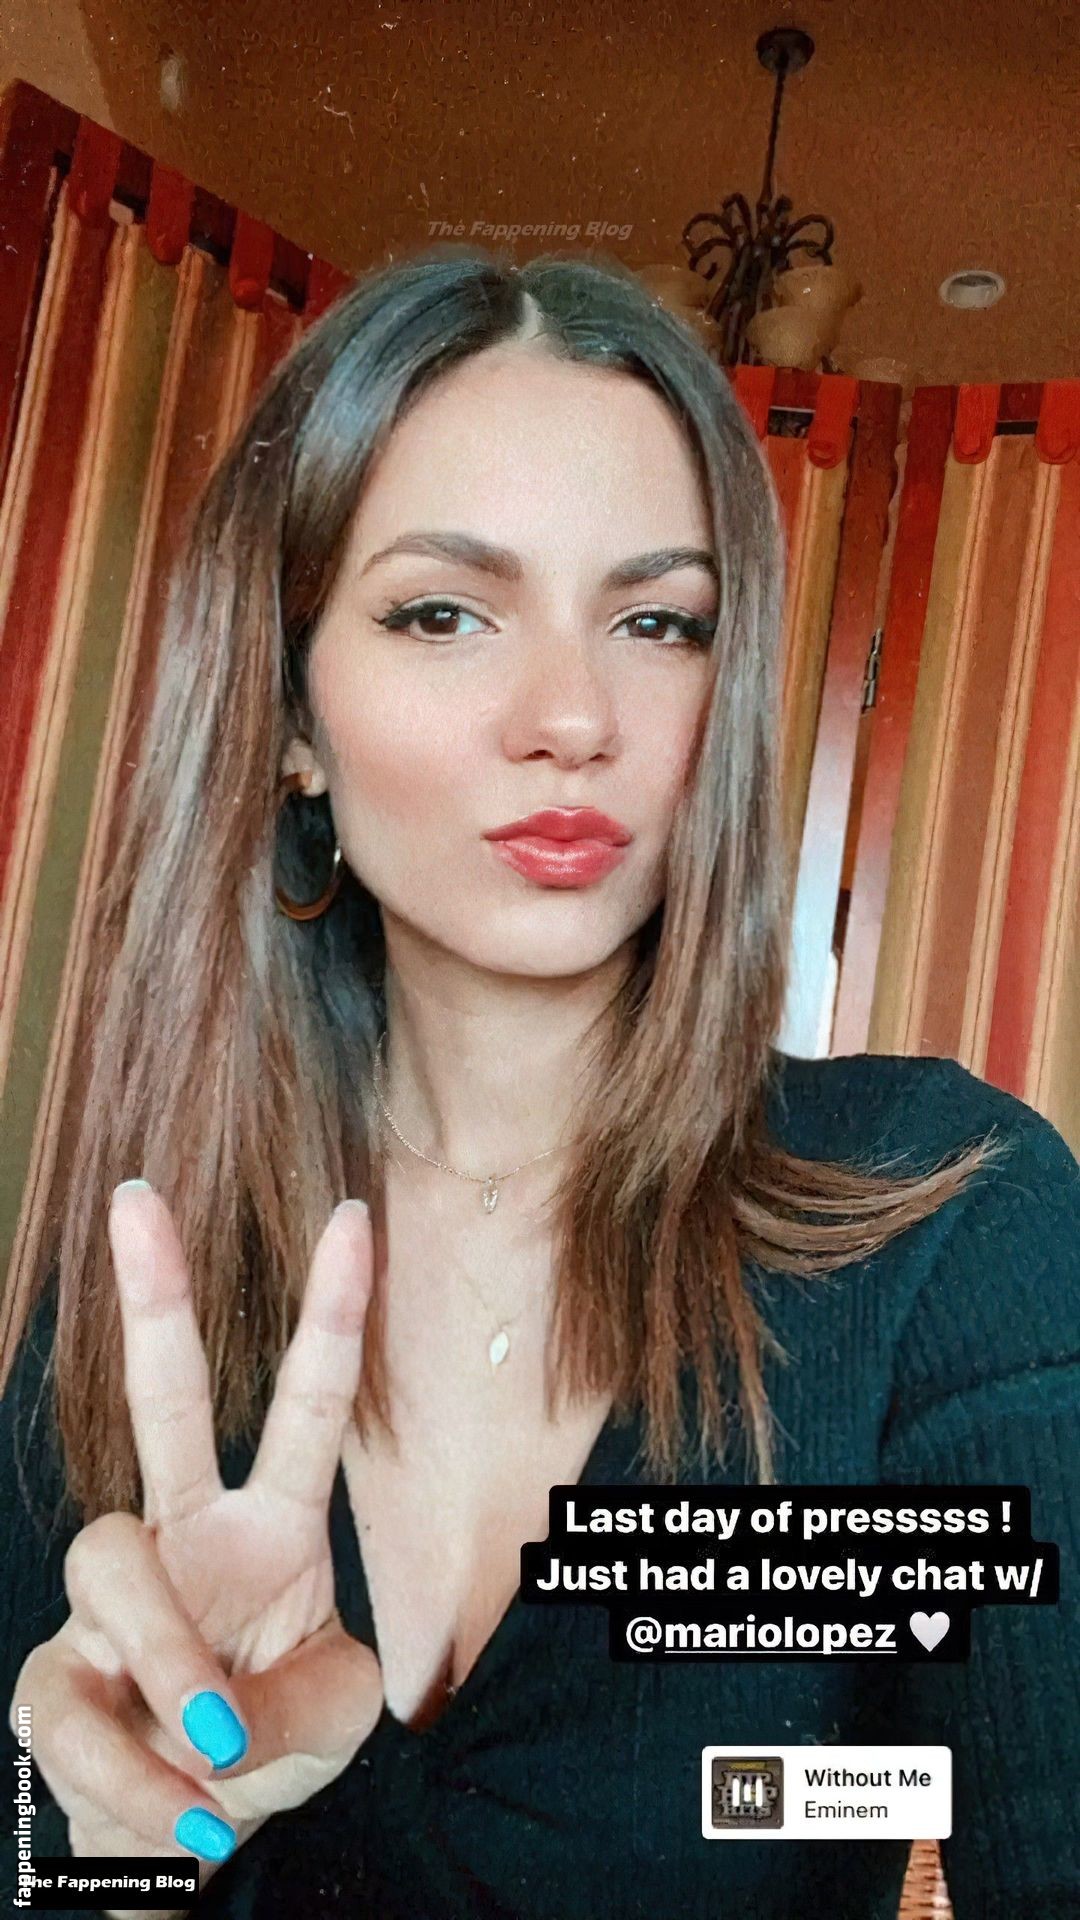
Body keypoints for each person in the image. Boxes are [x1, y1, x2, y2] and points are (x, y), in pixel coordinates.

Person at [1, 246, 1078, 1920]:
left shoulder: (940, 1222)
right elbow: (41, 1872)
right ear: (292, 716)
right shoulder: (144, 1309)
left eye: (658, 621)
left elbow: (969, 1805)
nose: (574, 716)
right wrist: (120, 1843)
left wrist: (809, 1788)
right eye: (444, 612)